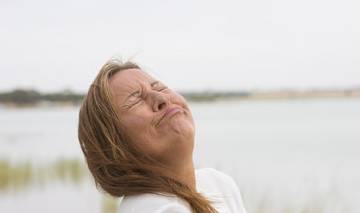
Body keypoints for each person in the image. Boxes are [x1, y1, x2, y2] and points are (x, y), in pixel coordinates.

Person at [77, 59, 247, 213]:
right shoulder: (154, 209)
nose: (161, 98)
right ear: (114, 145)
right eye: (135, 100)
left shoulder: (218, 184)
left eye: (159, 87)